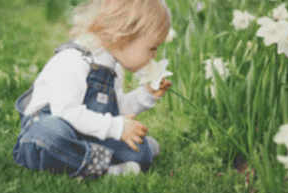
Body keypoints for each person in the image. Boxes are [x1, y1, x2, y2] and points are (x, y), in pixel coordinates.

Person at [12, 0, 174, 178]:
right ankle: (107, 169)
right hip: (50, 129)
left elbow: (115, 110)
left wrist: (147, 95)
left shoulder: (113, 68)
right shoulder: (74, 60)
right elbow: (66, 112)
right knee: (50, 135)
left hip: (85, 133)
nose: (154, 56)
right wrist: (117, 128)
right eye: (152, 48)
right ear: (123, 36)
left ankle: (84, 159)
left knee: (138, 148)